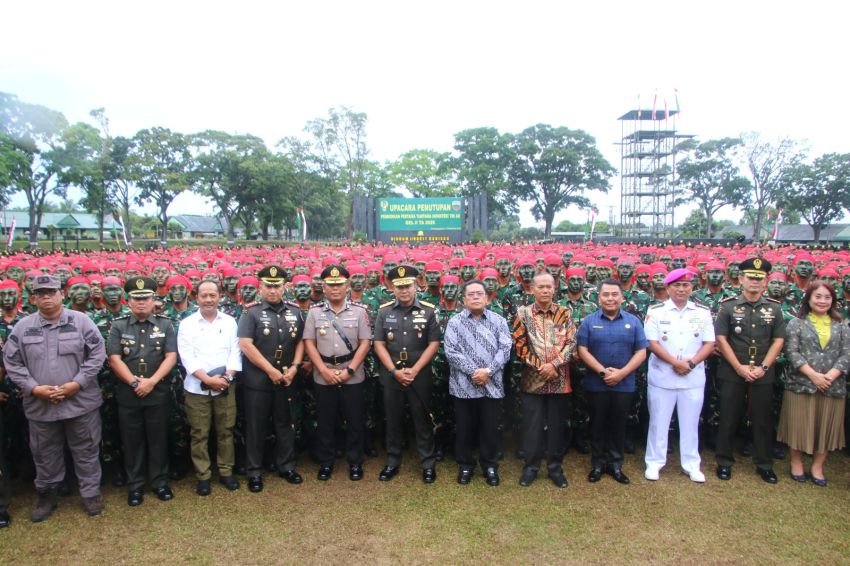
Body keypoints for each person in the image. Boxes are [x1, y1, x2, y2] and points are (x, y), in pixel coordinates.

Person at [3, 274, 106, 521]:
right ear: (33, 298)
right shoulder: (23, 327)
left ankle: (90, 494)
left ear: (62, 295)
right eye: (41, 294)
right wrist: (34, 388)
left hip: (79, 402)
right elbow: (12, 362)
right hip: (41, 404)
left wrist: (76, 384)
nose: (47, 297)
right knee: (44, 452)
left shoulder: (82, 322)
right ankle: (47, 495)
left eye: (52, 292)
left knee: (86, 449)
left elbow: (97, 355)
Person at [107, 276, 179, 506]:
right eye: (136, 299)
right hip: (129, 393)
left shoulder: (165, 324)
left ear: (153, 300)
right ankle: (135, 486)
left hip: (157, 391)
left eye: (146, 298)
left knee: (158, 439)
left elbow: (171, 357)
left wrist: (151, 382)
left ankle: (159, 482)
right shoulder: (118, 325)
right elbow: (114, 359)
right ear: (128, 301)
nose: (141, 303)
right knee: (132, 441)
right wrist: (135, 383)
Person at [714, 258, 785, 484]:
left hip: (762, 371)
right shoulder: (728, 306)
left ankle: (764, 464)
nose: (754, 282)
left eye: (759, 278)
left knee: (762, 419)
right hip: (733, 369)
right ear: (741, 279)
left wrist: (764, 367)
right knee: (728, 416)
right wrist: (738, 367)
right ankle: (724, 462)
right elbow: (721, 339)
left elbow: (778, 340)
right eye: (750, 278)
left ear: (766, 281)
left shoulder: (774, 308)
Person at [643, 268, 715, 483]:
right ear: (668, 288)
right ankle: (654, 462)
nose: (681, 289)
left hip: (691, 377)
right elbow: (652, 343)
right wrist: (675, 362)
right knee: (658, 422)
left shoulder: (701, 312)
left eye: (686, 285)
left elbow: (709, 343)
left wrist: (690, 363)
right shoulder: (656, 311)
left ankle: (691, 464)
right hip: (663, 376)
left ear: (692, 288)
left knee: (690, 423)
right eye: (677, 285)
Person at [238, 265, 305, 493]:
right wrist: (270, 370)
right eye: (269, 286)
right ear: (260, 287)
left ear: (285, 287)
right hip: (258, 379)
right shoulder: (251, 312)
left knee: (285, 423)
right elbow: (246, 344)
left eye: (277, 286)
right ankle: (254, 471)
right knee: (256, 426)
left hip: (287, 377)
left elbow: (301, 342)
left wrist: (295, 367)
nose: (273, 290)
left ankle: (286, 466)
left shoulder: (295, 311)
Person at [373, 265, 441, 483]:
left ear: (416, 286)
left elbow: (433, 344)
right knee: (392, 419)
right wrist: (394, 370)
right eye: (399, 286)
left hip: (418, 375)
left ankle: (427, 463)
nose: (404, 291)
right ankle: (392, 462)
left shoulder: (429, 311)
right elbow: (379, 344)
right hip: (392, 375)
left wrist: (415, 369)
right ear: (392, 288)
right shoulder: (384, 311)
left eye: (408, 286)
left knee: (422, 420)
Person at [303, 265, 371, 481]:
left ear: (347, 286)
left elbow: (365, 343)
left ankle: (355, 462)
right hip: (324, 374)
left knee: (354, 420)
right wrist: (322, 370)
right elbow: (309, 343)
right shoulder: (314, 312)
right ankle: (326, 462)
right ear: (323, 287)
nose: (335, 289)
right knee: (325, 421)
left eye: (339, 284)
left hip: (353, 373)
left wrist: (350, 370)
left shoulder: (359, 311)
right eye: (330, 285)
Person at [778, 280, 850, 486]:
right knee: (798, 425)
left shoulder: (842, 324)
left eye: (827, 297)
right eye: (818, 296)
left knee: (825, 426)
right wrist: (813, 375)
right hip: (802, 383)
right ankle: (796, 462)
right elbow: (791, 352)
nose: (822, 301)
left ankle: (818, 466)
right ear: (808, 299)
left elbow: (847, 353)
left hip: (832, 385)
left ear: (833, 301)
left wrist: (831, 375)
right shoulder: (796, 323)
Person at [577, 278, 648, 485]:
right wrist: (602, 372)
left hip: (624, 384)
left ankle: (616, 464)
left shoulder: (633, 321)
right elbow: (582, 350)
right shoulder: (589, 321)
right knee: (597, 424)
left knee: (618, 425)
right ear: (599, 298)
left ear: (622, 297)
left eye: (614, 294)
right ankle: (598, 464)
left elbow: (641, 351)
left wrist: (621, 373)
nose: (610, 298)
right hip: (596, 383)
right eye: (606, 295)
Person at [177, 280, 242, 495]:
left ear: (220, 296)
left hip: (225, 384)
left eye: (212, 295)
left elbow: (236, 351)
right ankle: (203, 475)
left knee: (226, 431)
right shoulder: (187, 323)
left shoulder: (231, 322)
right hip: (197, 388)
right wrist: (206, 378)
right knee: (199, 433)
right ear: (196, 297)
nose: (208, 299)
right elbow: (186, 355)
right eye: (204, 295)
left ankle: (225, 471)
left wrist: (227, 376)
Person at [444, 280, 512, 486]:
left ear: (487, 297)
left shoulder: (499, 321)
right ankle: (466, 465)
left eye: (479, 294)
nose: (475, 297)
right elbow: (451, 351)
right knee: (464, 428)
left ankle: (489, 465)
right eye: (471, 294)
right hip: (463, 385)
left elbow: (506, 349)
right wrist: (474, 372)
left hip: (491, 384)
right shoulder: (454, 322)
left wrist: (488, 371)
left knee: (490, 428)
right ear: (463, 299)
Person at [512, 273, 577, 488]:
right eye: (541, 287)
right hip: (533, 381)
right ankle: (530, 467)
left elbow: (571, 343)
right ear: (531, 289)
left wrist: (555, 364)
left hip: (559, 380)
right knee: (532, 427)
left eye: (549, 287)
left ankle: (555, 468)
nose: (545, 291)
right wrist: (542, 367)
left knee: (557, 427)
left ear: (555, 288)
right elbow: (520, 348)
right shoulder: (523, 314)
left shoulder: (564, 313)